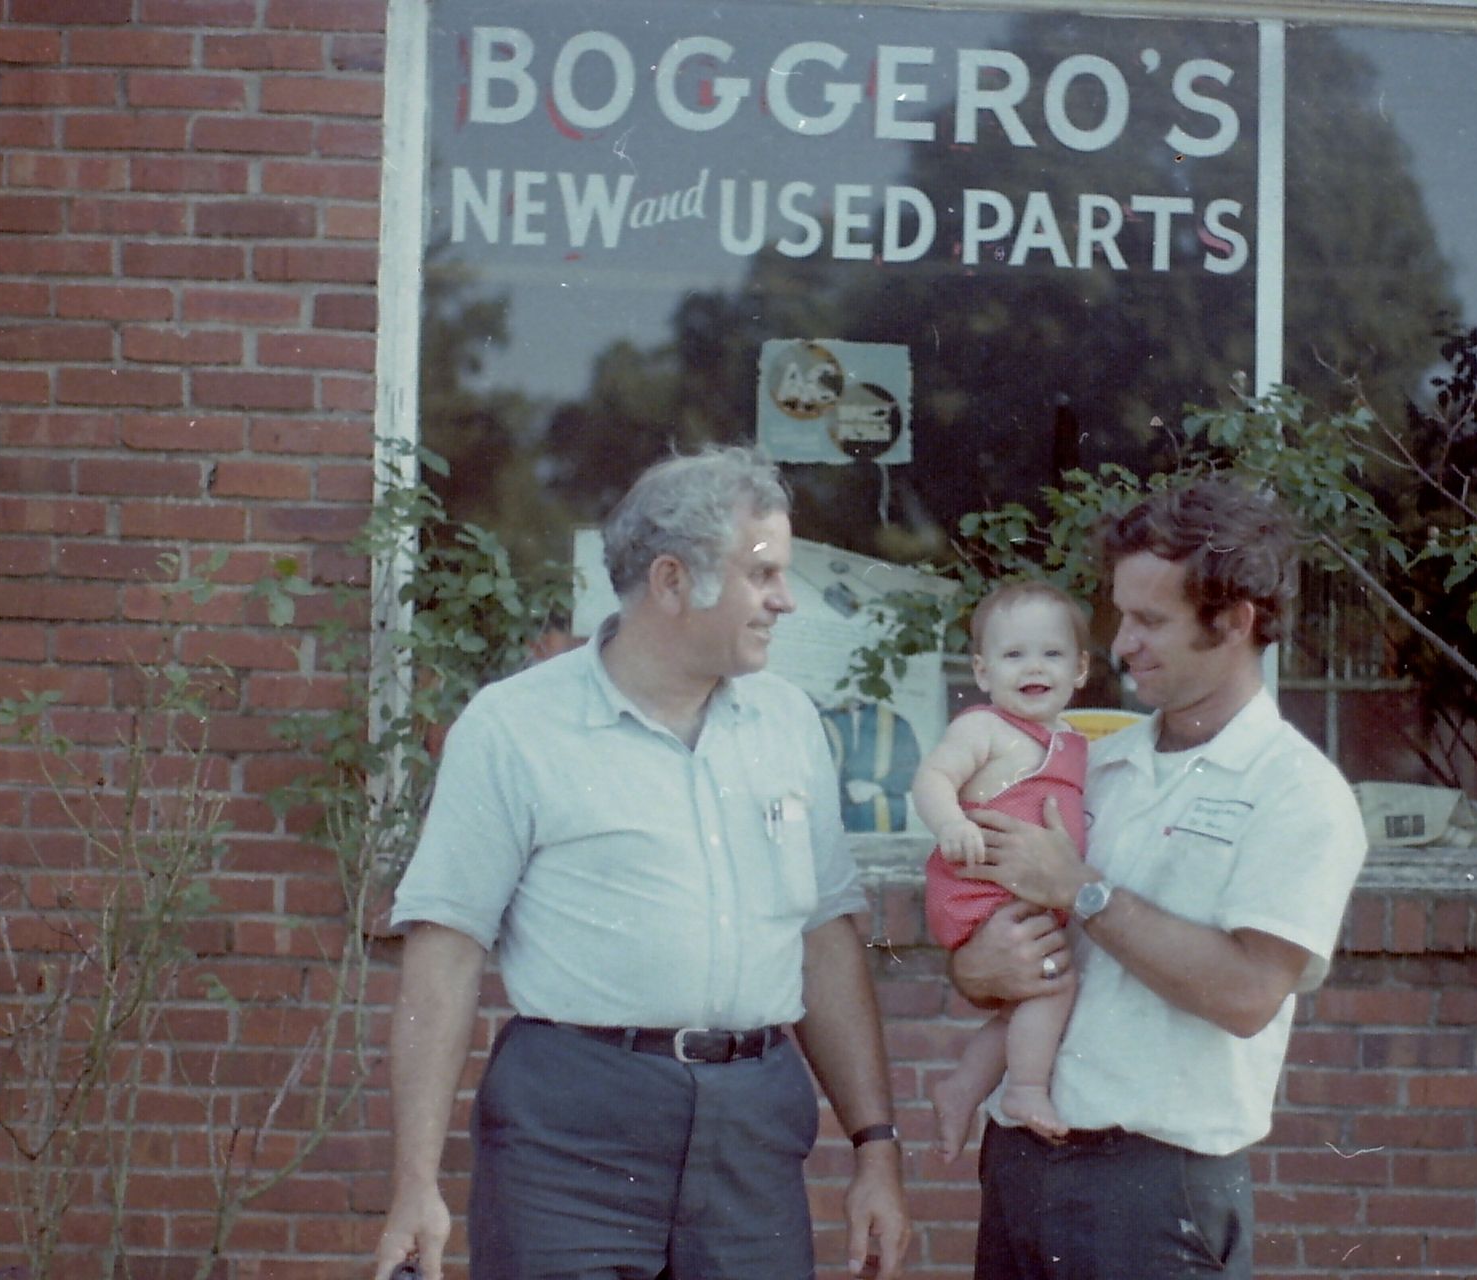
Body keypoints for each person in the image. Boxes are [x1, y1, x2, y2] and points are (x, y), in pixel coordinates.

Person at [371, 445, 910, 1280]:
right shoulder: (515, 727)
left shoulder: (789, 723)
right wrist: (415, 1185)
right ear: (669, 581)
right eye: (762, 575)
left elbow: (824, 939)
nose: (786, 601)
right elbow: (442, 959)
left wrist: (877, 1150)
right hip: (571, 1139)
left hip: (751, 1138)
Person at [949, 478, 1368, 1279]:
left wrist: (1084, 891)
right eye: (1119, 616)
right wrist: (978, 965)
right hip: (1020, 1161)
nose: (1121, 644)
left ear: (1236, 621)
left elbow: (1248, 995)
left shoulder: (1297, 793)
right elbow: (989, 957)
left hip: (1156, 1188)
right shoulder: (1091, 765)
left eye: (1150, 621)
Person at [912, 582, 1090, 1160]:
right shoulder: (982, 728)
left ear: (1081, 669)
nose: (1033, 667)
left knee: (1027, 1000)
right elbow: (932, 778)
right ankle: (1024, 1090)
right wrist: (950, 825)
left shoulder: (1073, 741)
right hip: (981, 883)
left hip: (1024, 893)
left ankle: (963, 1087)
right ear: (983, 671)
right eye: (1014, 655)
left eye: (1052, 654)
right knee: (1052, 985)